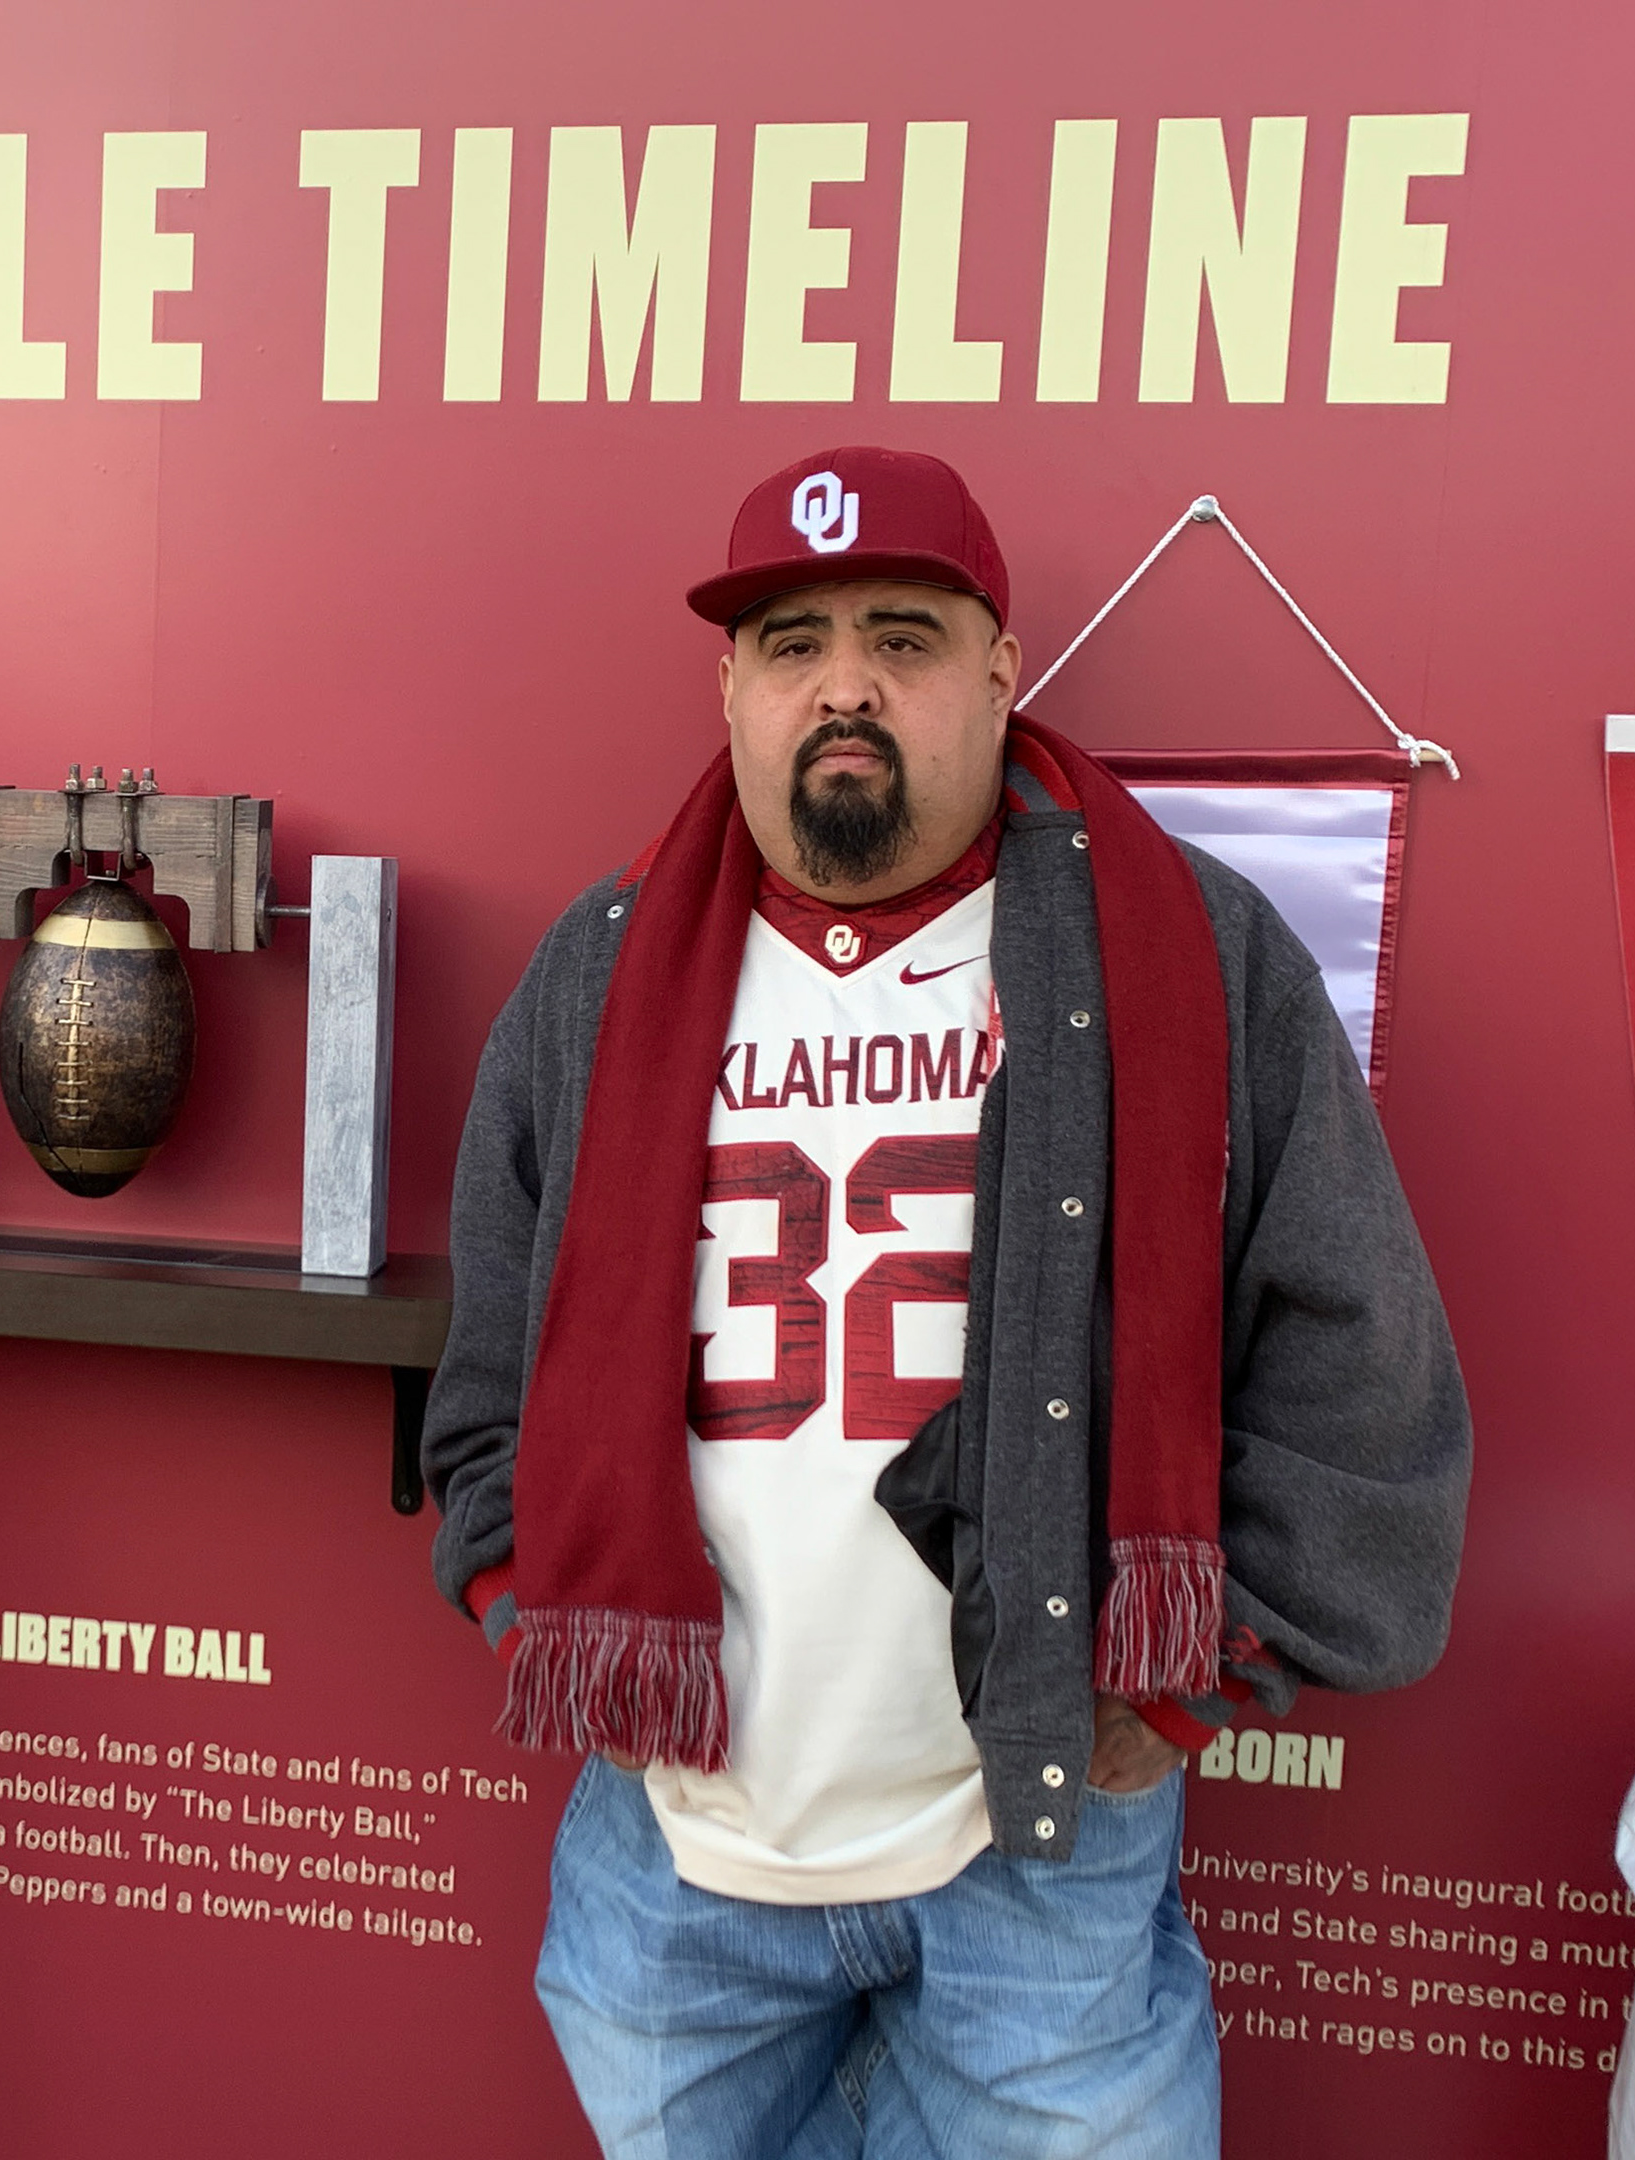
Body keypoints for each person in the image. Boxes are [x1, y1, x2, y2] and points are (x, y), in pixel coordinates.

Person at [421, 448, 1469, 2160]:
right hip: (677, 1846)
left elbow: (1364, 1365)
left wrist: (1196, 1682)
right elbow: (488, 1372)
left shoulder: (1184, 952)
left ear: (1000, 669)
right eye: (791, 641)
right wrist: (539, 1605)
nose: (844, 682)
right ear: (733, 690)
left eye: (902, 636)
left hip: (1037, 1840)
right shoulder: (600, 971)